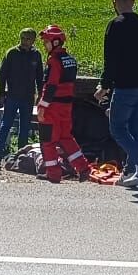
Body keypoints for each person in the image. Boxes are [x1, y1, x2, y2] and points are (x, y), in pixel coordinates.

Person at [101, 0, 138, 187]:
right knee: (136, 128)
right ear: (133, 1)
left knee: (117, 128)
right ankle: (131, 170)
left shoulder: (115, 25)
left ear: (114, 3)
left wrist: (104, 86)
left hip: (125, 86)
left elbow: (111, 59)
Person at [37, 24, 91, 182]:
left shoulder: (54, 61)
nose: (44, 44)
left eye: (46, 41)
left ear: (55, 42)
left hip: (52, 107)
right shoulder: (71, 60)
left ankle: (53, 174)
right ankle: (83, 168)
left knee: (48, 141)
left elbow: (51, 85)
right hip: (67, 106)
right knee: (66, 138)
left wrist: (42, 106)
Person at [0, 27, 44, 165]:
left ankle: (21, 155)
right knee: (6, 125)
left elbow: (40, 76)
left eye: (28, 39)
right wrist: (2, 94)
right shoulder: (12, 53)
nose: (24, 41)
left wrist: (40, 93)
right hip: (12, 96)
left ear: (33, 40)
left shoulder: (36, 55)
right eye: (22, 38)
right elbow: (2, 75)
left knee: (25, 127)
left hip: (28, 97)